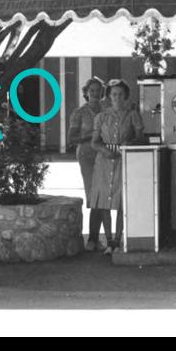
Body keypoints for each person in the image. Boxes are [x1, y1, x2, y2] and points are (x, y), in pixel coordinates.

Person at [90, 78, 144, 255]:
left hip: (124, 159)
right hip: (104, 161)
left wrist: (129, 144)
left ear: (126, 96)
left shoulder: (132, 115)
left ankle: (118, 240)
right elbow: (94, 142)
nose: (117, 97)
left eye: (121, 94)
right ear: (109, 96)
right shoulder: (101, 117)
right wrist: (105, 151)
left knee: (121, 200)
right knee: (105, 200)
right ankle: (108, 240)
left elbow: (140, 137)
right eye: (114, 94)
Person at [68, 76, 107, 251]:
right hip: (87, 155)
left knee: (102, 195)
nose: (95, 93)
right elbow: (71, 138)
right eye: (92, 90)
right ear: (86, 92)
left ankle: (95, 237)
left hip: (105, 155)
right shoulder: (79, 113)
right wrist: (91, 136)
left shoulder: (107, 111)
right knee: (93, 194)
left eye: (98, 90)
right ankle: (92, 238)